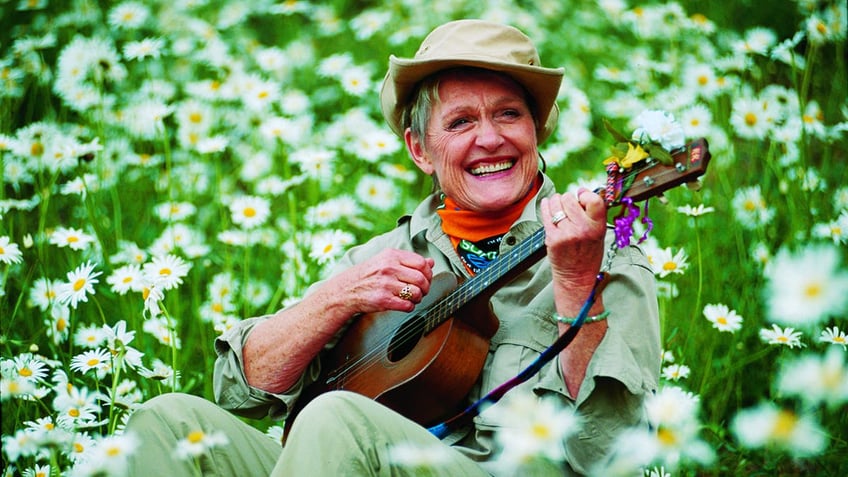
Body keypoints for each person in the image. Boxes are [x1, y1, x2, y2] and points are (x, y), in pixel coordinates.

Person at [125, 19, 660, 476]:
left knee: (336, 419)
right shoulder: (382, 259)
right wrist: (332, 300)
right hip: (352, 459)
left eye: (508, 114)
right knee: (169, 420)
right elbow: (244, 391)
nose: (490, 139)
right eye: (461, 122)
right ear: (419, 149)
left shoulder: (600, 256)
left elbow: (613, 456)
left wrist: (573, 286)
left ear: (538, 130)